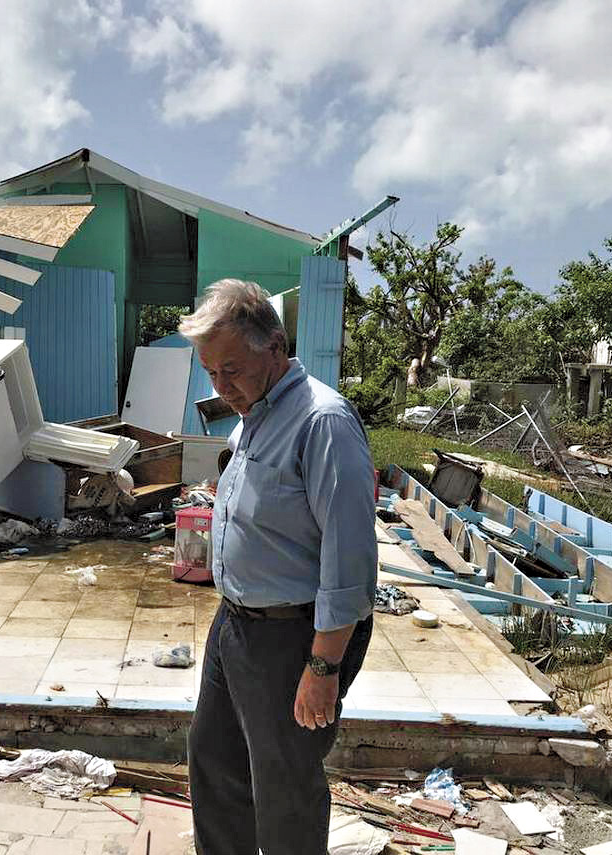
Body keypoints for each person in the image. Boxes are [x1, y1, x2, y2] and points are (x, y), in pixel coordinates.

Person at [179, 279, 378, 854]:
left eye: (233, 369)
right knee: (214, 761)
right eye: (211, 372)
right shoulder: (252, 415)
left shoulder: (323, 422)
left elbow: (350, 561)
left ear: (276, 346)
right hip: (237, 622)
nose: (222, 386)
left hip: (293, 635)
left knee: (283, 783)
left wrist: (323, 667)